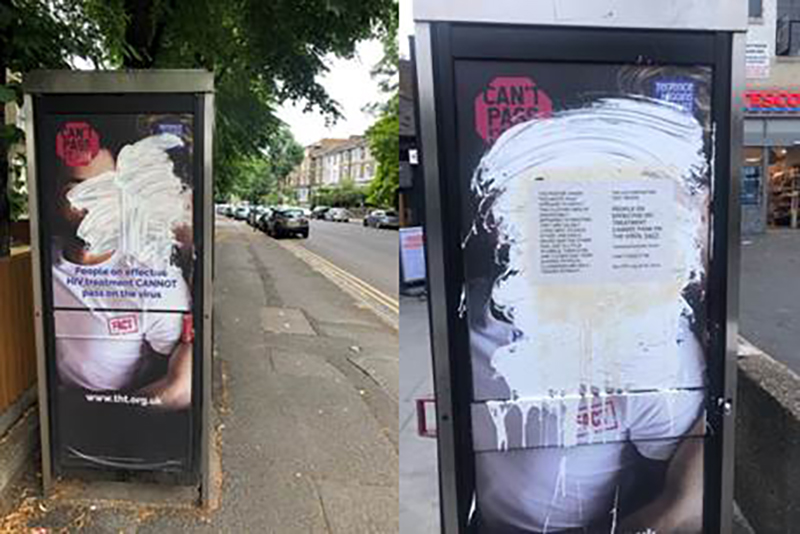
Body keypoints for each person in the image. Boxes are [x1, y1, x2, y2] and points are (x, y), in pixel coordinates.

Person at [51, 129, 193, 410]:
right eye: (75, 190)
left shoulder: (152, 276)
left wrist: (107, 417)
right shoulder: (40, 264)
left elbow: (181, 388)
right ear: (55, 196)